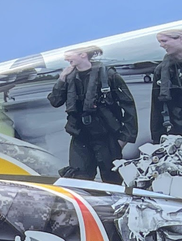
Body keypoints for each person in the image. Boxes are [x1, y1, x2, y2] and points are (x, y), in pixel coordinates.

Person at [46, 45, 137, 183]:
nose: (65, 58)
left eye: (69, 54)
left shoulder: (108, 75)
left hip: (106, 137)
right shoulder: (69, 77)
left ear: (83, 54)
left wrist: (125, 137)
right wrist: (62, 78)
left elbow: (128, 105)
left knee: (113, 180)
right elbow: (55, 101)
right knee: (78, 179)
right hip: (80, 138)